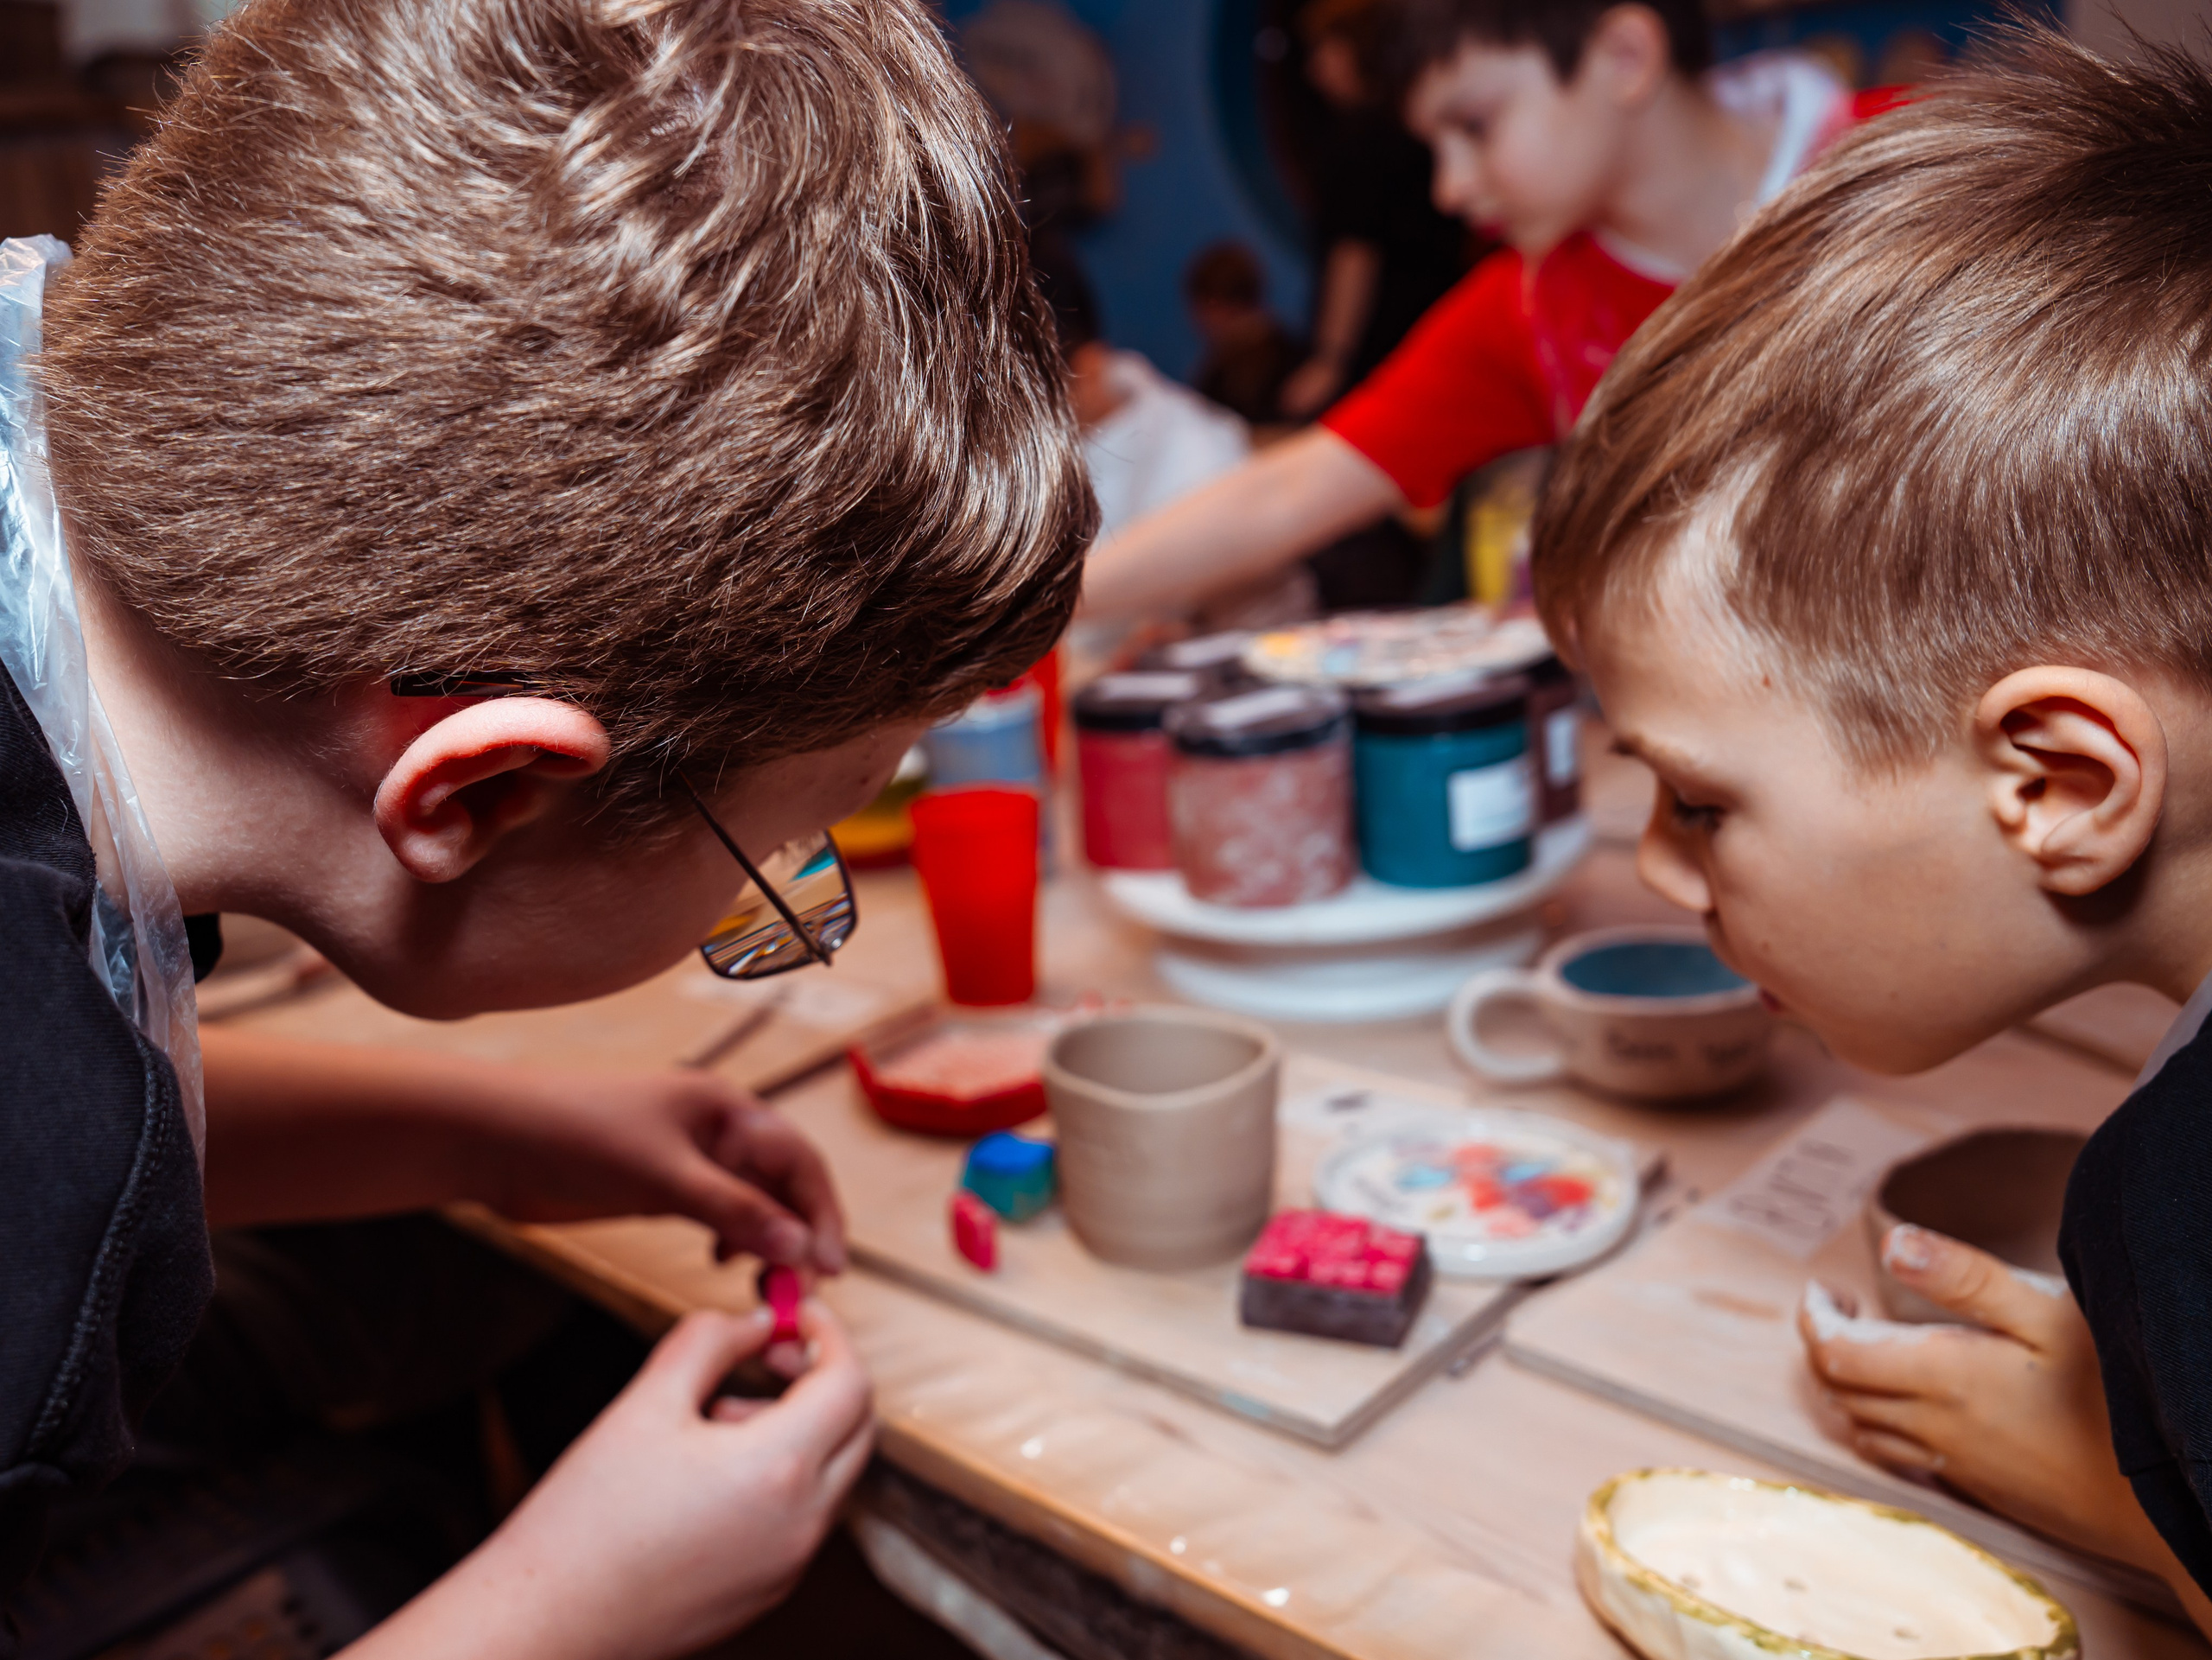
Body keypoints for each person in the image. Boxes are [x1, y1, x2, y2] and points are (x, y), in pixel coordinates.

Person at [0, 0, 1094, 1653]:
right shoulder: (39, 1223)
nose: (776, 886)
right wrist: (571, 1602)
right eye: (775, 859)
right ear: (484, 789)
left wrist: (495, 1139)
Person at [1525, 29, 2212, 1637]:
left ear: (2063, 785)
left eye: (1703, 801)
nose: (1660, 868)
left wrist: (2139, 1490)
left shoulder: (2180, 1207)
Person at [1081, 0, 1880, 623]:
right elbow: (1289, 492)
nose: (1450, 187)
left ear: (1624, 57)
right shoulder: (1535, 310)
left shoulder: (1919, 165)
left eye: (1474, 124)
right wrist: (1037, 604)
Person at [1278, 0, 1472, 422]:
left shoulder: (1360, 140)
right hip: (1433, 326)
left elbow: (1355, 252)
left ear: (1360, 51)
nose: (1315, 70)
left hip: (1379, 341)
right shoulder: (1414, 130)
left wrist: (1331, 357)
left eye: (1326, 52)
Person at [1184, 241, 1302, 429]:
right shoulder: (1296, 352)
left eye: (1199, 308)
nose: (1195, 320)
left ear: (1214, 304)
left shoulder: (1227, 376)